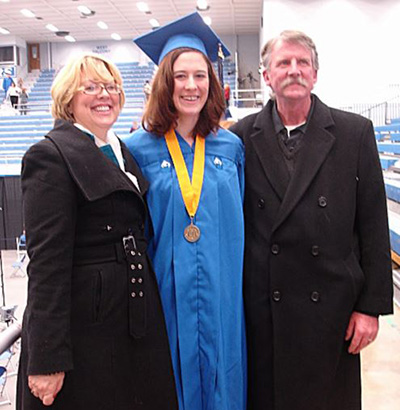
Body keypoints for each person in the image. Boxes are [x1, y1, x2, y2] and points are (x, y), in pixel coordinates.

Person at [229, 30, 393, 410]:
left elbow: (372, 222)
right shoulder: (241, 137)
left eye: (303, 63)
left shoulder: (354, 132)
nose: (294, 71)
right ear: (267, 76)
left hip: (332, 312)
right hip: (266, 312)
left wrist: (371, 307)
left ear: (315, 75)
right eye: (283, 63)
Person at [17, 53, 177, 410]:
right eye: (90, 87)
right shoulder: (50, 155)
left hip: (132, 320)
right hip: (86, 328)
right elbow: (46, 266)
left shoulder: (121, 151)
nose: (104, 95)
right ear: (67, 98)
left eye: (111, 87)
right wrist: (47, 357)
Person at [125, 12, 246, 410]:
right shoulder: (137, 151)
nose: (191, 85)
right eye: (180, 76)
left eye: (200, 76)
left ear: (212, 84)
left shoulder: (230, 148)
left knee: (223, 380)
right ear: (165, 82)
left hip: (223, 296)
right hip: (164, 297)